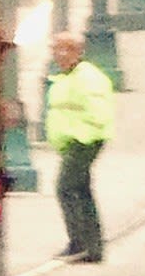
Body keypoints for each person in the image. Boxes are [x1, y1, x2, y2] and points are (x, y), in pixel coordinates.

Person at [43, 31, 117, 263]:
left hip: (83, 140)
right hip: (76, 141)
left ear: (76, 51)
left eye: (62, 49)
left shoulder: (87, 77)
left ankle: (80, 243)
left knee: (65, 187)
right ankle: (91, 247)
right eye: (55, 49)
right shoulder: (69, 76)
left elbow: (98, 112)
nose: (57, 54)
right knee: (81, 191)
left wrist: (81, 135)